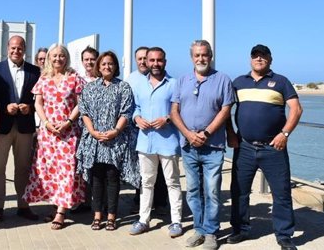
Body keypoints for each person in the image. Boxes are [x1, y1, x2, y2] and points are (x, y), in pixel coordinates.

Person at [226, 44, 303, 250]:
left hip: (273, 148)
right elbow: (225, 109)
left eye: (263, 56)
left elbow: (296, 109)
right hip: (244, 147)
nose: (259, 59)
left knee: (281, 193)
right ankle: (240, 229)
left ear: (270, 59)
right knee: (239, 191)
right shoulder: (238, 83)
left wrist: (284, 134)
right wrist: (230, 133)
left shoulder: (281, 82)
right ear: (250, 59)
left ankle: (284, 235)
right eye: (255, 56)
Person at [170, 40, 235, 249]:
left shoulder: (223, 79)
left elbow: (225, 110)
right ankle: (199, 229)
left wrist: (206, 133)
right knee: (193, 190)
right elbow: (174, 111)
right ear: (192, 58)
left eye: (204, 55)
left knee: (213, 190)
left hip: (213, 146)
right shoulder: (182, 80)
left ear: (211, 55)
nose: (201, 59)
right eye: (197, 55)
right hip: (188, 146)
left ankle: (211, 233)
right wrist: (188, 134)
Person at [24, 44, 87, 230]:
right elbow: (38, 103)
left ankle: (61, 212)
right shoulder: (44, 78)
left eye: (61, 55)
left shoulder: (74, 78)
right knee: (50, 171)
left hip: (68, 132)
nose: (58, 59)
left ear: (66, 57)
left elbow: (80, 103)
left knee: (67, 171)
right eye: (54, 56)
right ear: (49, 58)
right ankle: (55, 206)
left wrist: (68, 121)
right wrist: (47, 123)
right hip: (48, 133)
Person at [76, 51, 140, 231]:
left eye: (110, 63)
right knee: (96, 179)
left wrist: (115, 131)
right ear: (98, 66)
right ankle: (97, 215)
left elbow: (127, 112)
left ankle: (111, 216)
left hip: (115, 141)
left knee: (112, 178)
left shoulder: (123, 87)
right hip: (94, 140)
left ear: (115, 66)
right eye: (103, 64)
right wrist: (93, 132)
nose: (107, 66)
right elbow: (84, 112)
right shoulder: (90, 88)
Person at [128, 47, 183, 239]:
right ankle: (144, 220)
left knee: (172, 182)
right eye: (152, 60)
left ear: (165, 62)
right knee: (146, 182)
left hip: (168, 142)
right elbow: (135, 107)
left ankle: (176, 221)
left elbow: (182, 109)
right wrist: (137, 119)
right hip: (145, 142)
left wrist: (167, 118)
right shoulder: (139, 84)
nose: (155, 64)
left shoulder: (175, 84)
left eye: (159, 60)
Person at [0, 35, 41, 222]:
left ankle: (23, 205)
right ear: (7, 48)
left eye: (20, 48)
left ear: (25, 50)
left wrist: (31, 107)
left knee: (23, 168)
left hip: (25, 127)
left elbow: (41, 100)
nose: (16, 51)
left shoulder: (35, 72)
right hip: (2, 127)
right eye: (13, 48)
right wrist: (4, 108)